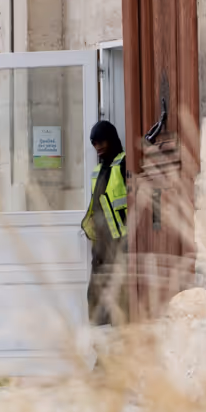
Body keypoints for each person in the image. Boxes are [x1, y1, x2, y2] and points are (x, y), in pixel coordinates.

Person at [81, 119, 128, 326]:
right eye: (94, 143)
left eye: (101, 142)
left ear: (112, 140)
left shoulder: (124, 163)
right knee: (95, 300)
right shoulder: (98, 171)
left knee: (117, 299)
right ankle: (101, 351)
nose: (98, 147)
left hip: (119, 244)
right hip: (100, 246)